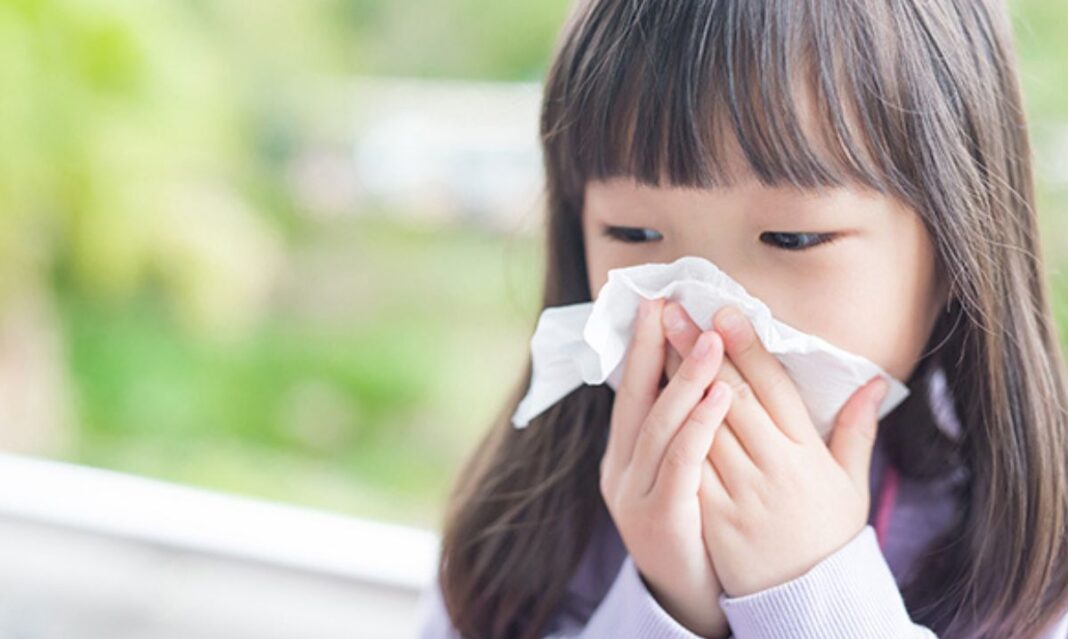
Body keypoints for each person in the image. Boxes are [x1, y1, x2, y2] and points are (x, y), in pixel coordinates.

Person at [414, 0, 1068, 636]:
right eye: (634, 230)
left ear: (958, 247)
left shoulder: (1040, 563)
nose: (710, 314)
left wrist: (810, 592)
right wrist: (669, 602)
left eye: (793, 238)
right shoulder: (521, 528)